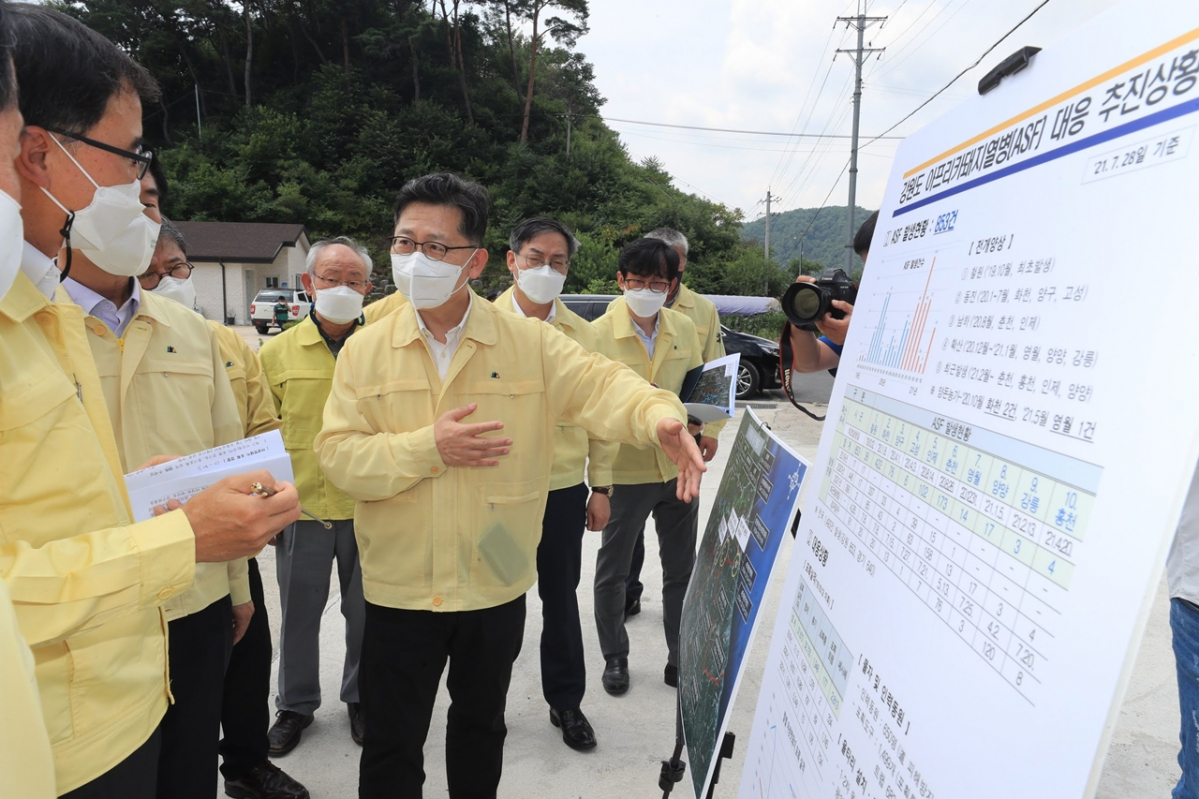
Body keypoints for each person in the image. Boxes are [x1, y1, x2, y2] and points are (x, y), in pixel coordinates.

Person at [314, 172, 706, 798]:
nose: (415, 258)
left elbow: (605, 385)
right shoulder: (367, 348)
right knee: (392, 743)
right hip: (399, 585)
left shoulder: (531, 343)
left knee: (479, 730)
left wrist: (659, 417)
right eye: (404, 241)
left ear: (472, 261)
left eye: (435, 247)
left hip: (491, 578)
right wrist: (427, 447)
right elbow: (336, 456)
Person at [6, 7, 301, 796]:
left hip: (129, 682)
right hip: (46, 737)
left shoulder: (42, 314)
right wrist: (172, 538)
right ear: (36, 150)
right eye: (126, 158)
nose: (139, 189)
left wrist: (177, 534)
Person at [140, 216, 310, 799]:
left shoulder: (227, 343)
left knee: (247, 657)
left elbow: (262, 428)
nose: (165, 282)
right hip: (153, 542)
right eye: (149, 272)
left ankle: (246, 763)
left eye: (175, 269)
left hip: (233, 539)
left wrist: (263, 501)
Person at [494, 216, 618, 752]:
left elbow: (602, 413)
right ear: (511, 260)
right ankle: (485, 703)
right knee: (497, 600)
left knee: (560, 598)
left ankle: (566, 702)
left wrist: (603, 486)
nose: (546, 269)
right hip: (495, 495)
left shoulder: (584, 335)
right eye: (535, 258)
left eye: (558, 261)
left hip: (563, 491)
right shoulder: (479, 325)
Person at [259, 237, 372, 756]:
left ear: (368, 287)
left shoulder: (386, 348)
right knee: (298, 615)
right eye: (330, 278)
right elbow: (260, 435)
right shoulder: (276, 352)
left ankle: (361, 697)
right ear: (308, 284)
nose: (342, 288)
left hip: (371, 507)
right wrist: (265, 508)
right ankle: (294, 705)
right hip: (299, 509)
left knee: (367, 612)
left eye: (353, 280)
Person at [591, 238, 705, 694]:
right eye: (637, 281)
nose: (646, 289)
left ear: (672, 285)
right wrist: (598, 484)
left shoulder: (684, 327)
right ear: (620, 281)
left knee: (681, 570)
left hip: (678, 469)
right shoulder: (596, 334)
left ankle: (679, 656)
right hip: (626, 470)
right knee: (614, 570)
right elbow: (593, 412)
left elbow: (698, 388)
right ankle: (615, 657)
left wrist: (699, 427)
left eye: (658, 282)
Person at [621, 227, 728, 618]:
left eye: (669, 273)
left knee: (679, 551)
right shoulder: (618, 316)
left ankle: (677, 638)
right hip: (630, 452)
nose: (658, 283)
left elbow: (713, 373)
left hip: (683, 446)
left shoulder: (701, 311)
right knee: (626, 543)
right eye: (645, 275)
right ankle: (629, 595)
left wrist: (710, 429)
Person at [788, 210, 876, 374]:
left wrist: (860, 334)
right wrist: (800, 315)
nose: (873, 279)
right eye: (868, 270)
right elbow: (809, 363)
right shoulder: (867, 314)